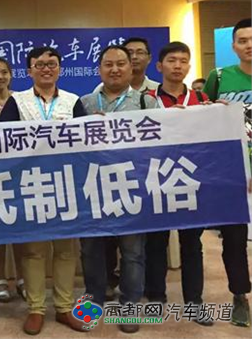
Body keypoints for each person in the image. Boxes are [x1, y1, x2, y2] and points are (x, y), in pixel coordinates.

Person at [0, 47, 85, 335]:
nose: (46, 68)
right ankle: (36, 309)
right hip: (30, 183)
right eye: (40, 64)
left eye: (52, 64)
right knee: (33, 250)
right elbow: (2, 139)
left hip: (67, 182)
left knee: (65, 250)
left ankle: (64, 307)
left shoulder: (73, 101)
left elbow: (87, 141)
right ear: (29, 70)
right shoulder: (17, 101)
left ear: (60, 69)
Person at [74, 45, 158, 334]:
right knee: (90, 249)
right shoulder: (84, 103)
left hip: (132, 187)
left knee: (133, 251)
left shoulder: (147, 102)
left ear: (131, 67)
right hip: (92, 187)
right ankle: (94, 301)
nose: (115, 69)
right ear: (99, 69)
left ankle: (130, 305)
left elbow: (162, 141)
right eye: (108, 64)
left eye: (121, 64)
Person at [144, 41, 212, 326]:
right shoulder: (146, 99)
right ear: (159, 66)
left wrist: (220, 113)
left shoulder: (202, 98)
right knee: (155, 243)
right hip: (156, 178)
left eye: (184, 61)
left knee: (192, 244)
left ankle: (194, 302)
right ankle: (156, 299)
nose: (178, 66)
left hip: (189, 179)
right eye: (172, 60)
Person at [203, 18, 252, 327]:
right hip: (232, 171)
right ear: (233, 46)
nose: (249, 45)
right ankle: (240, 296)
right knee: (234, 240)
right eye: (243, 40)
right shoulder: (219, 76)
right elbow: (202, 118)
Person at [0, 57, 26, 303]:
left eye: (4, 72)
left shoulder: (21, 101)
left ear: (11, 75)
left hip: (19, 171)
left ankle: (22, 278)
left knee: (20, 228)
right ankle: (0, 279)